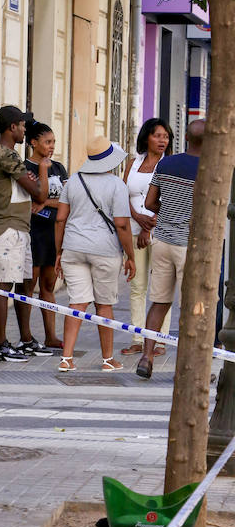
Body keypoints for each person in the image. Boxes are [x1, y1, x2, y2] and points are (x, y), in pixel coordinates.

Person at [55, 136, 135, 372]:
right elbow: (121, 224)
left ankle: (66, 358)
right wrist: (130, 255)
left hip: (73, 247)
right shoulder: (117, 185)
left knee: (76, 303)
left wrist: (58, 252)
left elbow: (60, 219)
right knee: (104, 305)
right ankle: (108, 360)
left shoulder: (73, 181)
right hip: (105, 251)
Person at [136, 119, 205, 379]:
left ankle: (146, 356)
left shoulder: (166, 163)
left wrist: (167, 214)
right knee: (193, 306)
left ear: (186, 137)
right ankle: (191, 368)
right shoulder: (208, 168)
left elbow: (150, 202)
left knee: (159, 302)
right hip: (191, 245)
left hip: (162, 241)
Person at [0, 105, 52, 361]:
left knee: (25, 283)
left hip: (21, 226)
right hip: (7, 227)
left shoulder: (13, 156)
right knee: (4, 284)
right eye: (23, 125)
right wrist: (43, 171)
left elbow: (35, 190)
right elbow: (39, 193)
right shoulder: (6, 156)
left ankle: (26, 339)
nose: (26, 129)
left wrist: (36, 183)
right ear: (11, 127)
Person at [121, 118, 173, 357]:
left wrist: (147, 227)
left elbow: (168, 200)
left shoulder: (169, 164)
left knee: (161, 288)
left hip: (160, 232)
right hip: (132, 230)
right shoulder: (133, 164)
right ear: (146, 138)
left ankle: (160, 340)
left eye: (166, 136)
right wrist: (137, 218)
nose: (163, 140)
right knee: (137, 286)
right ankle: (137, 338)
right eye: (158, 135)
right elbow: (123, 195)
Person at [25, 120, 68, 349]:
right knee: (28, 285)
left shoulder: (59, 168)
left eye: (53, 142)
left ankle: (51, 335)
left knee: (48, 287)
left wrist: (46, 203)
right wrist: (45, 200)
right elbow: (34, 199)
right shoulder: (25, 168)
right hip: (33, 233)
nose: (51, 146)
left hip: (53, 233)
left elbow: (67, 200)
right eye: (47, 142)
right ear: (33, 142)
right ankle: (26, 336)